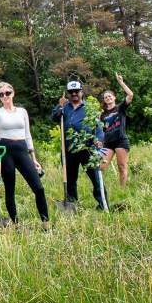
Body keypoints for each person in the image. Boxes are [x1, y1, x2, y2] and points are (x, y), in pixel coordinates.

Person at [0, 83, 48, 223]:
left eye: (7, 93)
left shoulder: (22, 111)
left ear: (13, 93)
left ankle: (46, 223)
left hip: (22, 150)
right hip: (6, 151)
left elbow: (28, 135)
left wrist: (33, 158)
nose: (5, 96)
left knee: (38, 188)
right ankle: (16, 223)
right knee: (10, 190)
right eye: (1, 94)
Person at [51, 80, 107, 208]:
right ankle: (72, 204)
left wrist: (99, 140)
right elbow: (54, 118)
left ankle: (103, 204)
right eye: (71, 92)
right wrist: (59, 106)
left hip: (87, 148)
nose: (74, 94)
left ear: (82, 92)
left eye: (77, 91)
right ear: (68, 93)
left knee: (96, 178)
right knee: (70, 179)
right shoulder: (64, 107)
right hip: (68, 149)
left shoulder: (89, 107)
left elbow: (98, 128)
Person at [99, 73, 134, 187]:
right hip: (108, 143)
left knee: (121, 166)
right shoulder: (102, 115)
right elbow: (102, 130)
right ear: (104, 100)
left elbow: (130, 95)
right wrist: (99, 141)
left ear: (114, 97)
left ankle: (122, 190)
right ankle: (100, 190)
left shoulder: (120, 108)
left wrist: (121, 82)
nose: (108, 98)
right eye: (106, 97)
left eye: (110, 96)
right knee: (101, 167)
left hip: (120, 141)